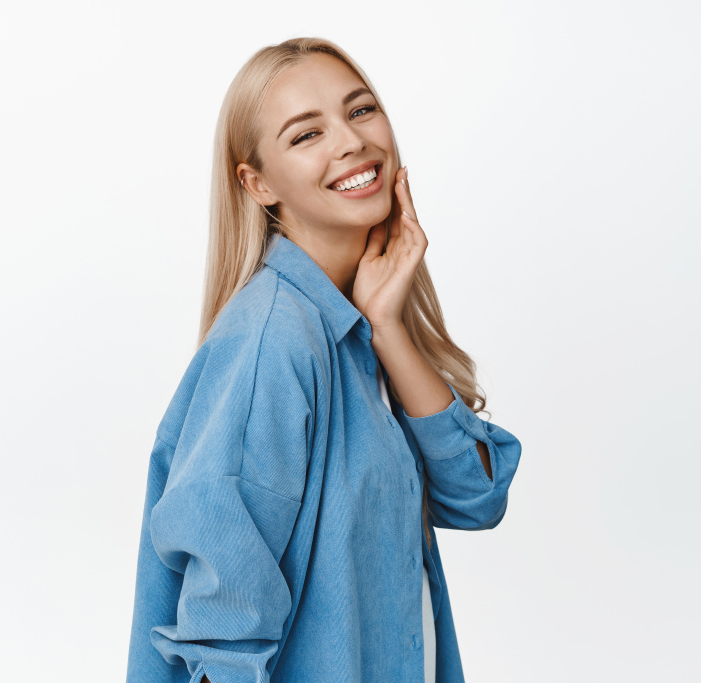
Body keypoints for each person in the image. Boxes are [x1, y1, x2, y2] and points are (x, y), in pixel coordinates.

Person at [125, 37, 522, 683]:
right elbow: (223, 629)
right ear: (257, 183)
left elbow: (478, 496)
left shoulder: (358, 327)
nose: (350, 142)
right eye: (306, 134)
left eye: (360, 110)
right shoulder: (273, 343)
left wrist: (390, 328)